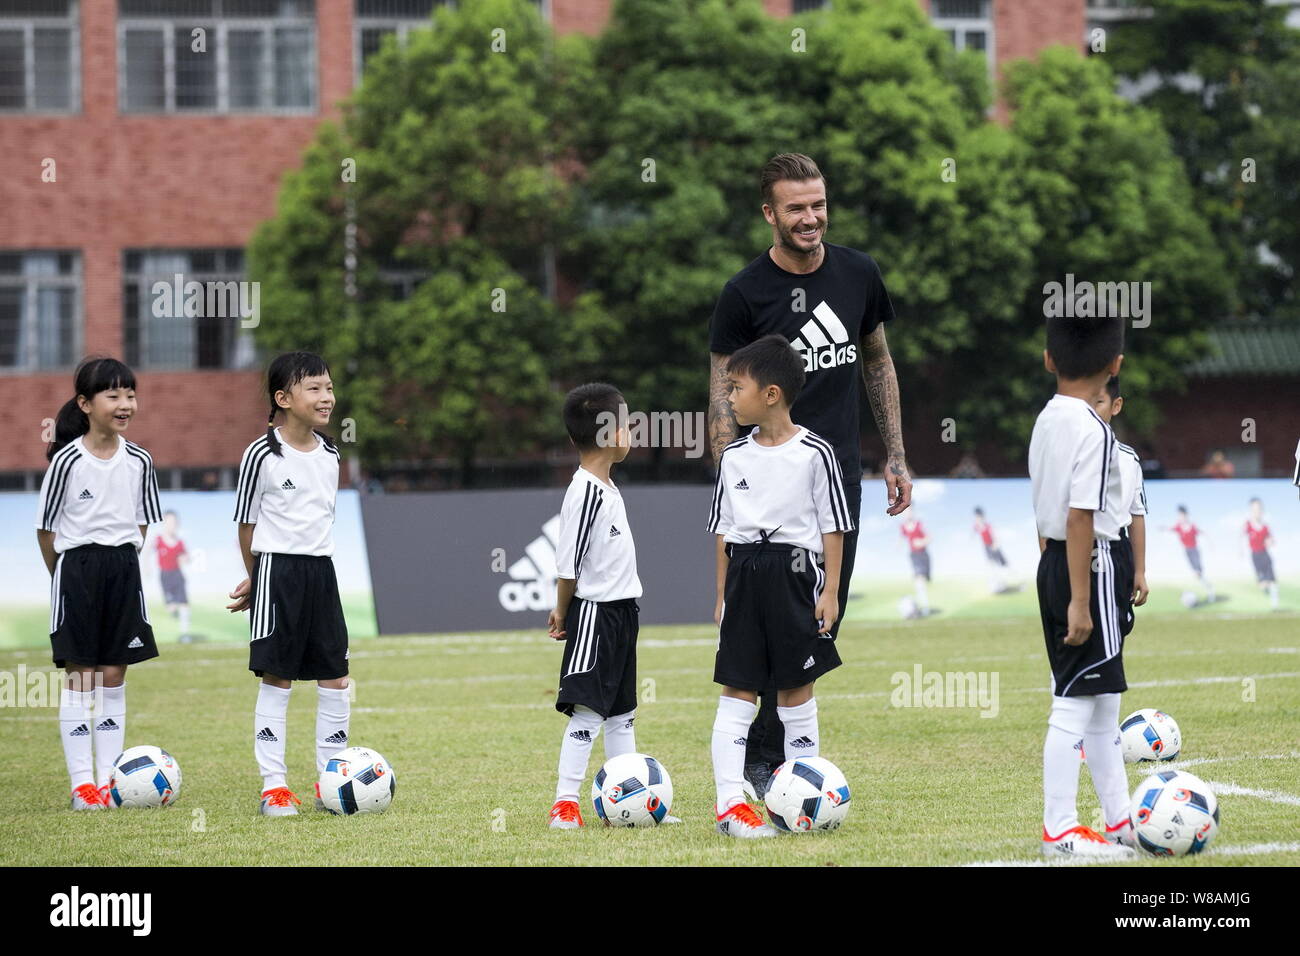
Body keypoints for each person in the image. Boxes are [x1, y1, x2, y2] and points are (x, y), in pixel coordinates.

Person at [707, 152, 911, 798]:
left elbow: (877, 363)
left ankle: (782, 756)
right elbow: (721, 391)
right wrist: (724, 477)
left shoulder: (859, 274)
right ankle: (762, 761)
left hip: (835, 483)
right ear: (769, 213)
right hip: (766, 491)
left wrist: (896, 455)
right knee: (763, 624)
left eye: (818, 204)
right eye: (796, 207)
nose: (811, 218)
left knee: (820, 622)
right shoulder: (743, 294)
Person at [707, 335, 854, 837]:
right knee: (739, 687)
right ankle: (730, 803)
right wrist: (722, 595)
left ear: (770, 394)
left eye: (735, 387)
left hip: (796, 576)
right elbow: (724, 532)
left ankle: (798, 793)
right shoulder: (733, 457)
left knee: (796, 687)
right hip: (746, 575)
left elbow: (833, 526)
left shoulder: (816, 453)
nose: (728, 397)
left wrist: (830, 590)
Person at [1028, 315, 1136, 859]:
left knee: (1100, 700)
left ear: (1049, 360)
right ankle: (1061, 829)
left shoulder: (1047, 418)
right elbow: (1080, 516)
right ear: (1114, 365)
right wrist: (1079, 599)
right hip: (1086, 567)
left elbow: (1044, 508)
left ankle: (1118, 821)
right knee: (1074, 701)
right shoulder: (1092, 429)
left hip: (1054, 562)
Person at [226, 352, 350, 816]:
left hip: (322, 572)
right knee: (277, 678)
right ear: (283, 398)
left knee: (335, 678)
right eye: (314, 388)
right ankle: (274, 786)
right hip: (277, 571)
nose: (326, 397)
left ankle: (332, 779)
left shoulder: (332, 453)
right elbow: (246, 524)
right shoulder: (261, 454)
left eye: (329, 387)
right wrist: (257, 578)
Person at [36, 357, 163, 810]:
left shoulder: (141, 460)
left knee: (113, 672)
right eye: (113, 395)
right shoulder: (67, 461)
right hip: (77, 571)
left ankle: (110, 781)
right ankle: (81, 785)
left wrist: (122, 562)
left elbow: (144, 524)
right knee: (82, 674)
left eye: (130, 394)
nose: (125, 403)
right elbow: (46, 530)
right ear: (86, 404)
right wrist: (64, 579)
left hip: (123, 568)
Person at [545, 383, 660, 828]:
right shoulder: (585, 492)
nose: (632, 429)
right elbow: (568, 565)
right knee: (588, 710)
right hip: (593, 614)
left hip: (623, 613)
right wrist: (562, 611)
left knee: (622, 712)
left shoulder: (609, 485)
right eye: (628, 422)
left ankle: (626, 797)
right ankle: (565, 801)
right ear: (611, 433)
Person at [155, 510, 193, 641]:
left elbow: (186, 557)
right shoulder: (158, 540)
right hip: (165, 576)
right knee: (171, 607)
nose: (172, 525)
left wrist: (186, 559)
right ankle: (173, 608)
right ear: (164, 523)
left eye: (174, 522)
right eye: (169, 522)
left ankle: (185, 634)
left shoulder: (180, 542)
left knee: (184, 604)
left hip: (178, 575)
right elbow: (147, 551)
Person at [1165, 505, 1215, 603]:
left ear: (1186, 515)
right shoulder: (1178, 526)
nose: (1180, 518)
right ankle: (1207, 589)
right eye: (1179, 515)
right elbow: (1169, 529)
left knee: (1198, 573)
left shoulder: (1192, 526)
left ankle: (1210, 591)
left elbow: (1203, 533)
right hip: (1187, 552)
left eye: (1182, 515)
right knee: (1196, 575)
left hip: (1194, 551)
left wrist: (1210, 544)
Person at [1244, 498, 1279, 610]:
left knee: (1272, 581)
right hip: (1256, 556)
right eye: (1254, 509)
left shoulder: (1265, 527)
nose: (1257, 512)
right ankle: (1265, 587)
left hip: (1265, 555)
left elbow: (1271, 539)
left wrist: (1271, 541)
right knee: (1262, 583)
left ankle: (1275, 606)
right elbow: (1242, 537)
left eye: (1259, 509)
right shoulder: (1248, 525)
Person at [899, 506, 933, 616]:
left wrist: (922, 542)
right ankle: (924, 608)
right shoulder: (903, 527)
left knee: (922, 582)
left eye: (909, 511)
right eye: (904, 512)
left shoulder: (919, 524)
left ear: (912, 511)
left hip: (923, 555)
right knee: (919, 582)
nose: (907, 514)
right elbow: (902, 537)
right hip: (914, 556)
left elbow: (930, 537)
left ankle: (924, 607)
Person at [973, 507, 1013, 595]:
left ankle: (1001, 585)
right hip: (987, 549)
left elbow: (994, 535)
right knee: (991, 567)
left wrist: (995, 543)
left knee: (1001, 565)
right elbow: (976, 529)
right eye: (976, 517)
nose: (977, 518)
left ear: (982, 516)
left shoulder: (988, 526)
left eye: (978, 516)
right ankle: (995, 587)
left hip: (993, 547)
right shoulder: (978, 526)